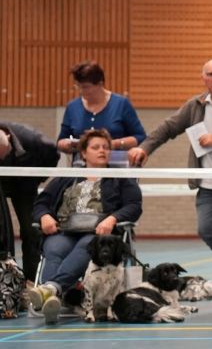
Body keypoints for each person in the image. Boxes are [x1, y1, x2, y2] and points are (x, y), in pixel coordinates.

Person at [127, 58, 212, 307]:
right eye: (210, 74)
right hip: (207, 186)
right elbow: (168, 128)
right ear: (203, 78)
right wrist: (145, 148)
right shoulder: (195, 106)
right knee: (207, 230)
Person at [29, 129, 142, 324]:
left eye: (105, 147)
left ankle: (51, 290)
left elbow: (134, 205)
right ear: (83, 153)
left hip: (98, 232)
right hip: (64, 230)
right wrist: (44, 216)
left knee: (87, 246)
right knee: (54, 248)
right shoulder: (67, 176)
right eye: (96, 147)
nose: (102, 151)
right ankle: (54, 297)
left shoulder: (120, 177)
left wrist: (112, 218)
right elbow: (41, 202)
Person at [0, 122, 59, 281]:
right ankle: (6, 278)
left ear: (9, 138)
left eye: (4, 154)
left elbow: (54, 155)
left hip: (25, 184)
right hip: (1, 182)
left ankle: (30, 280)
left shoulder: (35, 140)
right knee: (3, 230)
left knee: (30, 231)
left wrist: (38, 179)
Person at [58, 61, 146, 166]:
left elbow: (140, 137)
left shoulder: (121, 104)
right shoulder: (72, 107)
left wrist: (113, 144)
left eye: (86, 87)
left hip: (117, 168)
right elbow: (61, 139)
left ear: (100, 83)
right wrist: (67, 145)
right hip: (81, 168)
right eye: (78, 86)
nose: (81, 91)